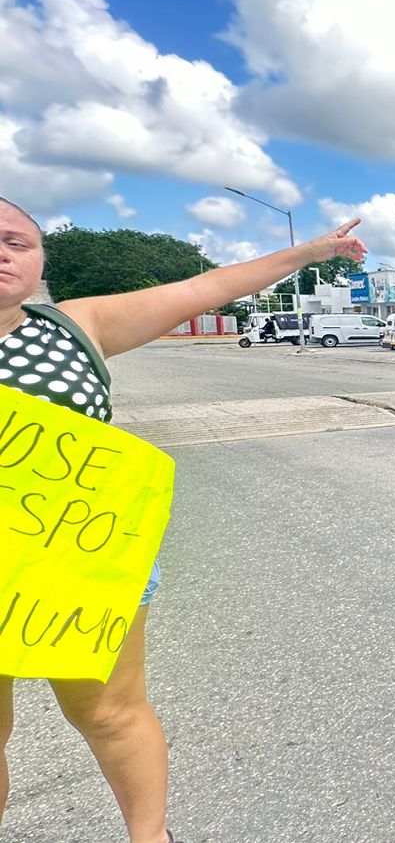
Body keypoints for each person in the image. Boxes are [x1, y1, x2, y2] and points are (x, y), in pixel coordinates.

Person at [0, 196, 367, 843]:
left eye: (17, 242)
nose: (2, 252)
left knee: (110, 712)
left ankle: (152, 837)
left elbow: (204, 287)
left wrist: (313, 253)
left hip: (80, 560)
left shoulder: (69, 326)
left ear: (39, 261)